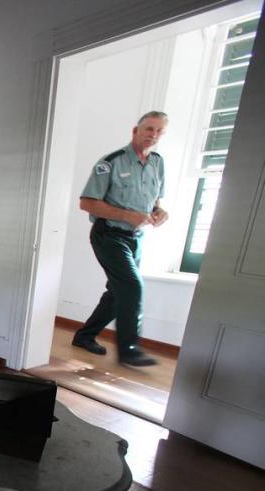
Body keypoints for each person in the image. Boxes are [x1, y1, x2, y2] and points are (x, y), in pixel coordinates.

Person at [72, 111, 170, 368]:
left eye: (159, 131)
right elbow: (87, 203)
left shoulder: (158, 163)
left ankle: (84, 336)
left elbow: (155, 201)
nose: (153, 135)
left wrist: (159, 213)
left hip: (136, 239)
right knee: (132, 287)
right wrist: (127, 215)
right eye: (149, 129)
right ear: (135, 130)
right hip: (108, 235)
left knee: (117, 293)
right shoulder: (111, 162)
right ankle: (129, 350)